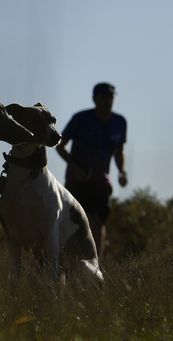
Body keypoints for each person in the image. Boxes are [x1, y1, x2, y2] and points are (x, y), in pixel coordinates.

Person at [56, 82, 128, 257]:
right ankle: (69, 265)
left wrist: (122, 171)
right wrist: (76, 168)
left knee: (98, 222)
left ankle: (95, 266)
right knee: (75, 224)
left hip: (101, 182)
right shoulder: (80, 119)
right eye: (104, 97)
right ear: (95, 99)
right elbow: (60, 145)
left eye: (111, 97)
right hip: (77, 181)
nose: (108, 100)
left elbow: (119, 151)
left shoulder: (119, 122)